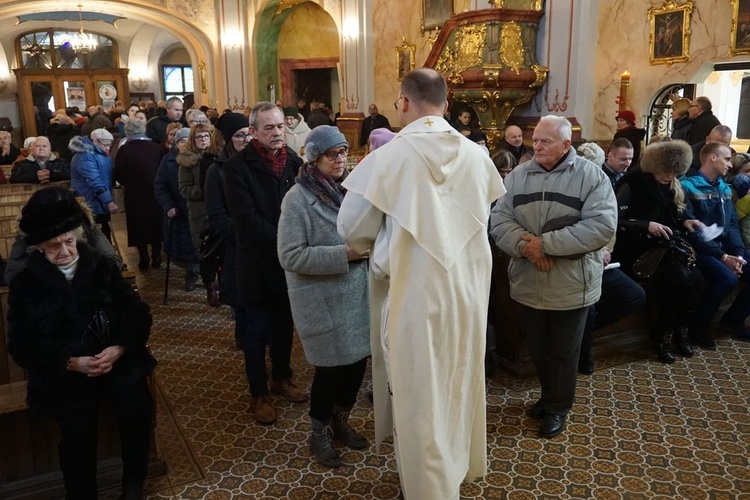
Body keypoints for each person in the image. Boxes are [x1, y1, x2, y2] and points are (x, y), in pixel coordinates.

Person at [338, 68, 505, 499]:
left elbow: (351, 229)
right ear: (447, 105)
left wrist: (387, 236)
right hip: (468, 292)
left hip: (415, 292)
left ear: (405, 102)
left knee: (419, 392)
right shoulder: (477, 155)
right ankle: (458, 465)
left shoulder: (387, 157)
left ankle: (431, 489)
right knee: (460, 378)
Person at [7, 186, 155, 500]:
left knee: (137, 410)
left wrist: (119, 348)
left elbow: (137, 315)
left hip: (114, 360)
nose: (64, 251)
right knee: (77, 433)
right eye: (53, 246)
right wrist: (68, 361)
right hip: (65, 372)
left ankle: (133, 484)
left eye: (69, 241)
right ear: (39, 249)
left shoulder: (101, 266)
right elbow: (21, 344)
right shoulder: (27, 283)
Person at [490, 115, 617, 439]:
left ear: (565, 144)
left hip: (571, 283)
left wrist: (545, 245)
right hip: (530, 279)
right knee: (539, 347)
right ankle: (548, 397)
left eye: (546, 141)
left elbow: (601, 226)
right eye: (536, 139)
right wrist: (529, 248)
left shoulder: (591, 177)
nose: (538, 145)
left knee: (563, 352)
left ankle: (558, 407)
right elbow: (499, 220)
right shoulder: (518, 176)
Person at [278, 126, 370, 468]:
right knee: (330, 371)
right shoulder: (298, 199)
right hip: (322, 299)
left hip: (356, 296)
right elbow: (290, 256)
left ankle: (341, 421)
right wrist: (344, 255)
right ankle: (318, 433)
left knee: (357, 366)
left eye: (344, 152)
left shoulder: (350, 191)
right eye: (332, 154)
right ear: (314, 158)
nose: (341, 160)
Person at [222, 102, 307, 425]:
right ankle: (258, 392)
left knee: (285, 326)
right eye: (268, 128)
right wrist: (287, 242)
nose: (276, 133)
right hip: (258, 260)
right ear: (253, 131)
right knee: (257, 331)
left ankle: (281, 377)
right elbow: (246, 220)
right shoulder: (236, 168)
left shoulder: (294, 162)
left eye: (280, 126)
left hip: (287, 264)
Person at [613, 140, 704, 363]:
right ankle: (661, 336)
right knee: (676, 279)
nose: (670, 176)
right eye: (665, 170)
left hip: (665, 249)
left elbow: (671, 218)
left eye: (675, 171)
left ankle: (680, 330)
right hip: (636, 250)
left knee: (697, 278)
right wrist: (646, 225)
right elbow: (614, 219)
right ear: (653, 166)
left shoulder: (669, 186)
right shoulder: (632, 183)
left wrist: (685, 222)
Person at [681, 143, 750, 347]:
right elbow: (692, 232)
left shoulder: (723, 187)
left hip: (723, 249)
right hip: (699, 250)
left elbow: (732, 224)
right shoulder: (688, 186)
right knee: (726, 278)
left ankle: (733, 320)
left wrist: (738, 254)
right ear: (712, 158)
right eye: (727, 159)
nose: (730, 165)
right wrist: (723, 257)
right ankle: (697, 328)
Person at [4, 185, 122, 284]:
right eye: (54, 244)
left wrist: (79, 268)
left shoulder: (85, 224)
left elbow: (114, 262)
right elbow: (12, 276)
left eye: (69, 240)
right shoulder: (31, 233)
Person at [204, 113, 251, 348]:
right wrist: (243, 235)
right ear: (228, 139)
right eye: (239, 135)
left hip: (262, 243)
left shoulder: (260, 162)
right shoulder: (217, 170)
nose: (246, 139)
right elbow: (216, 214)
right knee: (242, 303)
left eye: (249, 133)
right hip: (236, 245)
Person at [178, 123, 221, 305]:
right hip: (199, 211)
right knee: (205, 250)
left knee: (222, 248)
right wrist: (205, 190)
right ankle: (210, 287)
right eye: (199, 137)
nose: (203, 140)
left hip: (218, 208)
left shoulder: (217, 156)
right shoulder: (187, 161)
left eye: (206, 136)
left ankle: (223, 286)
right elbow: (184, 189)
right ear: (193, 140)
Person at [115, 116, 165, 270]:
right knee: (157, 224)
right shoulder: (156, 148)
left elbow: (119, 175)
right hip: (156, 193)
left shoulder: (125, 150)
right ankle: (157, 256)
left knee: (138, 225)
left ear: (128, 132)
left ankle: (143, 258)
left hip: (134, 195)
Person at [154, 127, 200, 291]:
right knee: (186, 248)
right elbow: (160, 186)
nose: (186, 144)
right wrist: (169, 206)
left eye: (189, 140)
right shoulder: (168, 161)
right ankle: (192, 273)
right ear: (175, 144)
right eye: (182, 141)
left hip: (201, 212)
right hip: (181, 212)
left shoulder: (202, 158)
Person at [69, 128, 118, 242]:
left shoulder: (101, 154)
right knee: (96, 238)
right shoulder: (85, 156)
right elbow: (94, 181)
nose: (108, 148)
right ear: (95, 141)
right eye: (105, 144)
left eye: (109, 145)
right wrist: (108, 202)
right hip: (90, 203)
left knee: (105, 235)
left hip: (99, 202)